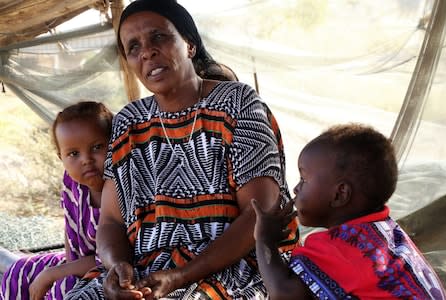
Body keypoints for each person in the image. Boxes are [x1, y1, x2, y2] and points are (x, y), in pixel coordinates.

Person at [65, 1, 298, 299]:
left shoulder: (236, 102)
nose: (147, 52)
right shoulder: (129, 122)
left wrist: (179, 276)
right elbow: (111, 221)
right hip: (148, 268)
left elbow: (260, 214)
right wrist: (118, 268)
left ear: (189, 44)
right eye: (133, 47)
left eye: (158, 37)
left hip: (235, 264)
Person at [252, 123, 446, 300]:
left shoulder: (335, 248)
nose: (296, 189)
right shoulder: (388, 232)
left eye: (304, 180)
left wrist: (264, 239)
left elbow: (284, 293)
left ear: (340, 194)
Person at [0, 101, 113, 300]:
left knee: (65, 288)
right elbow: (69, 230)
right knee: (18, 271)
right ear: (61, 157)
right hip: (75, 263)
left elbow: (114, 259)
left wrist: (56, 273)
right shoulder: (72, 182)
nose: (86, 159)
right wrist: (65, 266)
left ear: (114, 145)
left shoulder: (121, 191)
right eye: (73, 154)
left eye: (97, 147)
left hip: (109, 270)